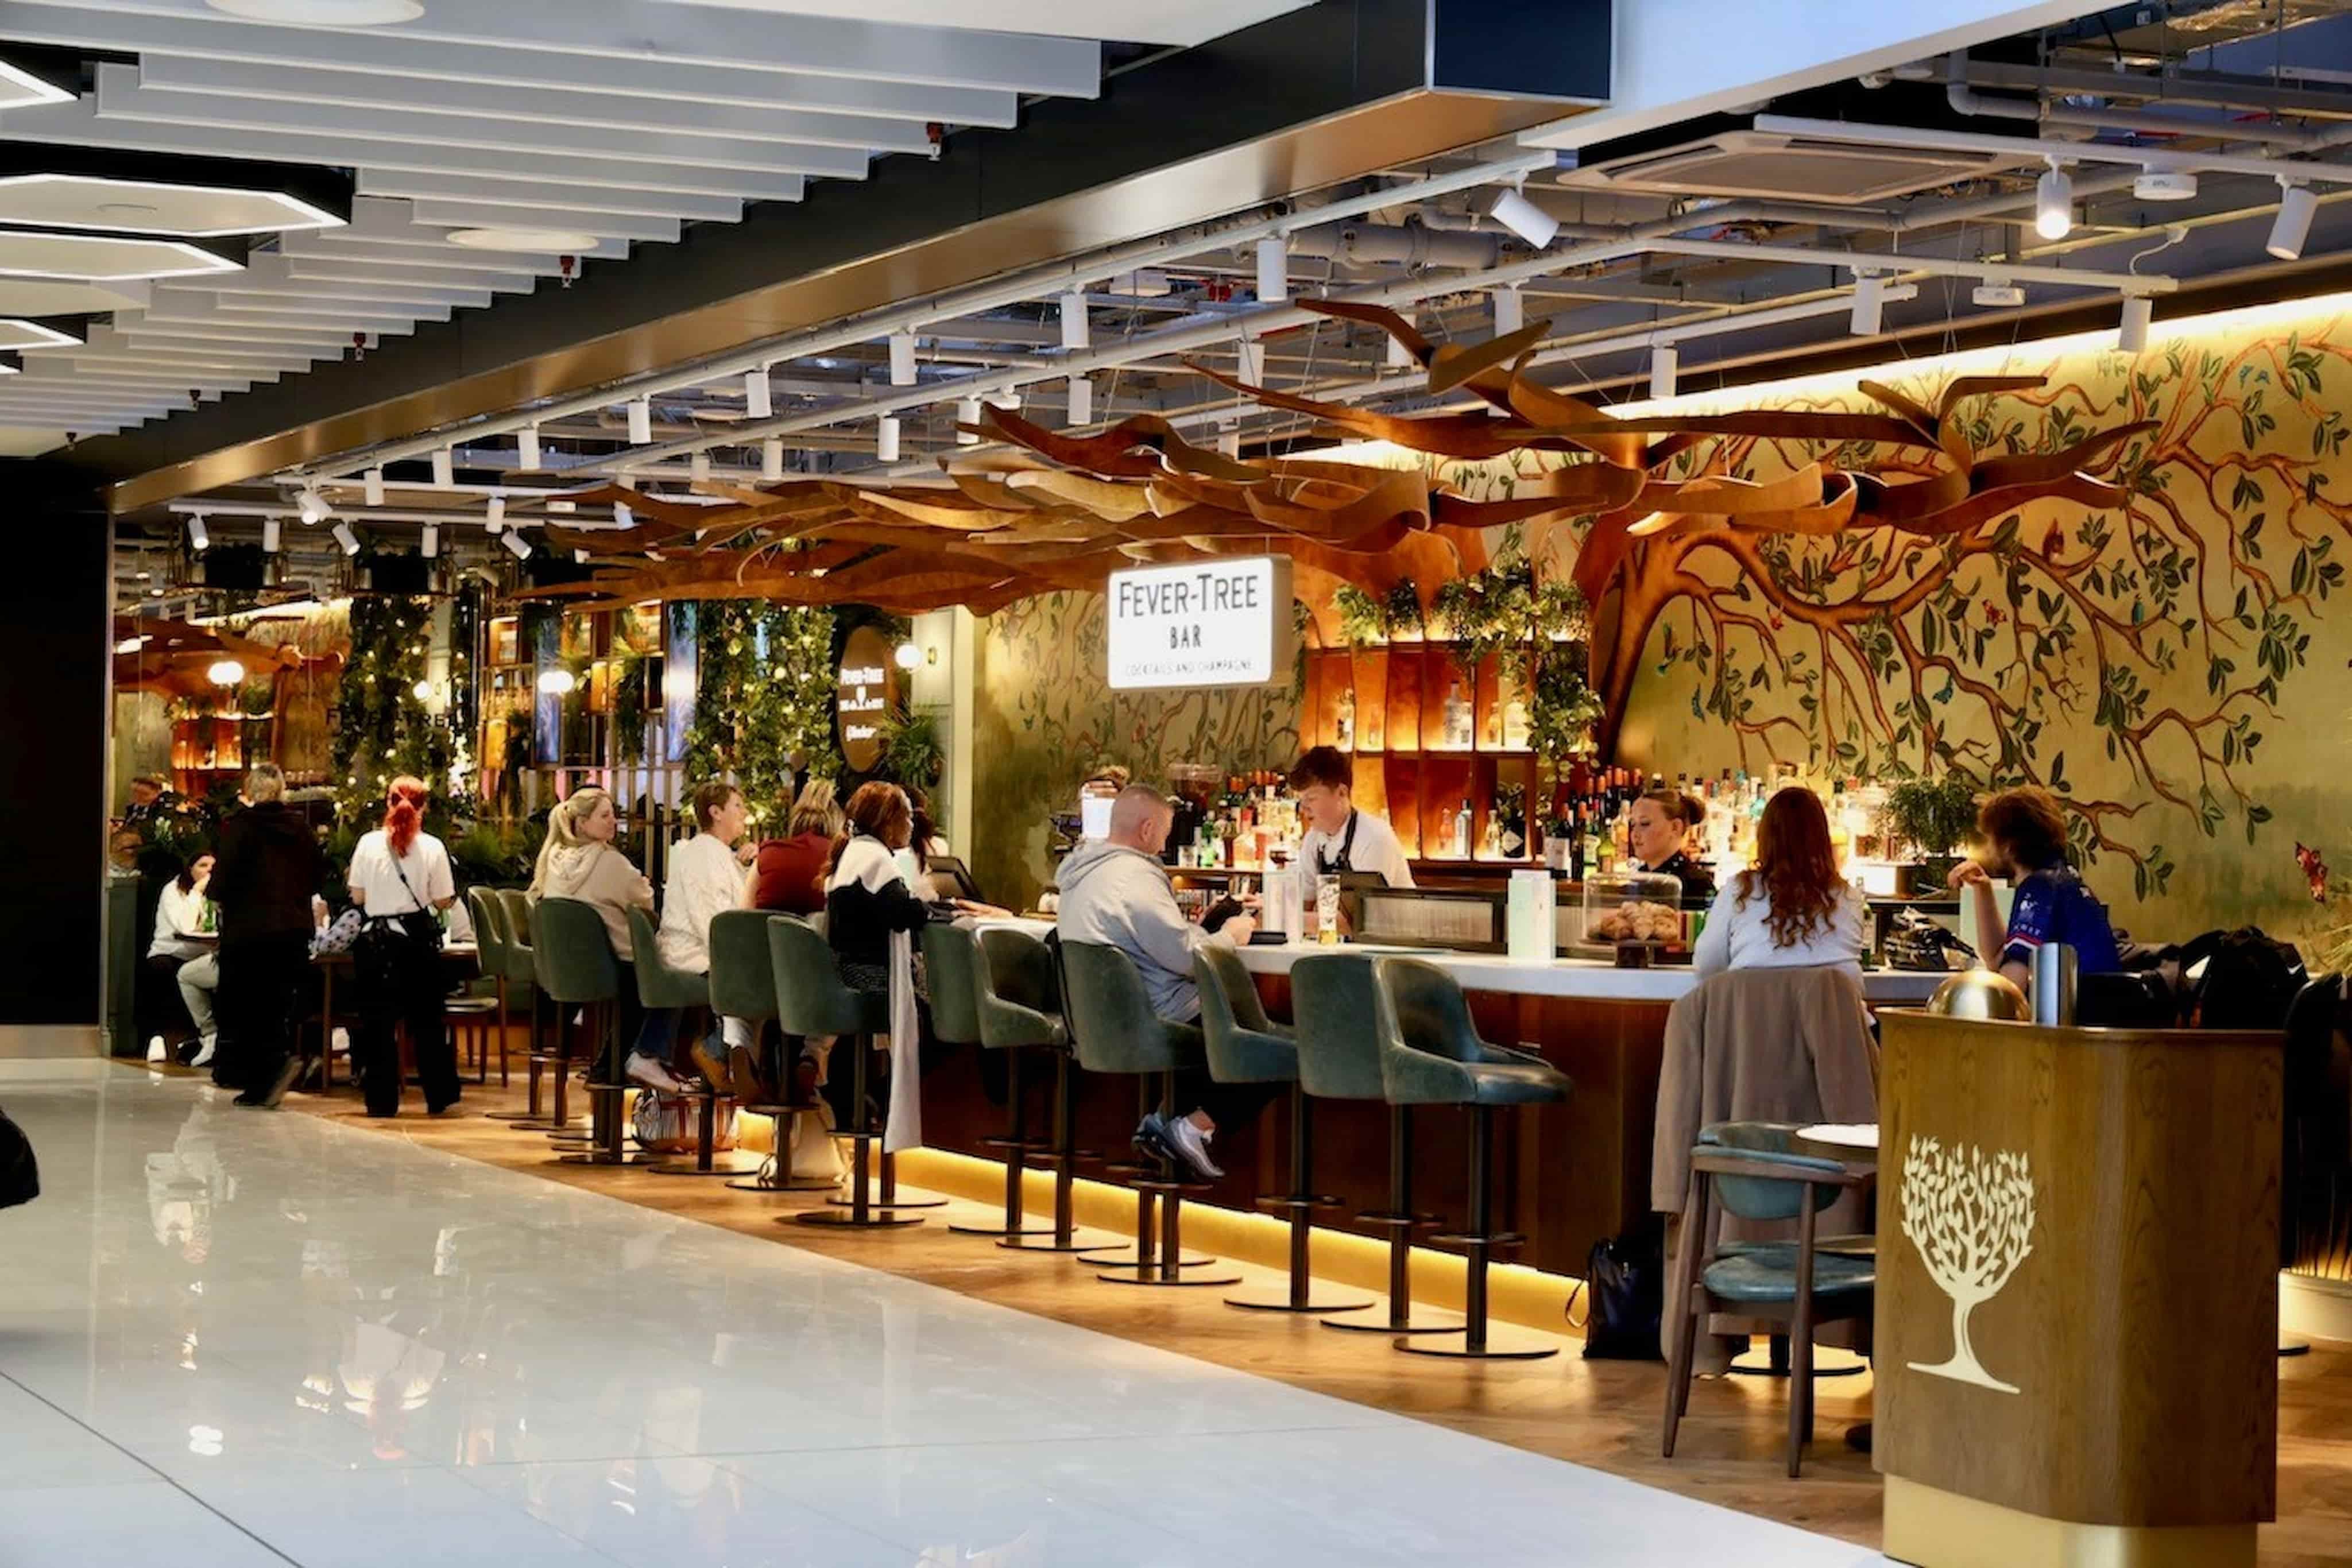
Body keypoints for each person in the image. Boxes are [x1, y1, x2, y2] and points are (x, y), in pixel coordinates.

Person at [1055, 784, 1263, 1182]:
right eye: (1166, 831)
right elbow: (1187, 959)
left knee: (1228, 1037)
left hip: (1104, 1026)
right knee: (1263, 1042)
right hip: (1154, 1020)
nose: (1166, 842)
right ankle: (1189, 1128)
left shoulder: (1080, 876)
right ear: (1148, 829)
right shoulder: (1134, 877)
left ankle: (1161, 1125)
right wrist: (1230, 935)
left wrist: (1199, 932)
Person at [207, 763, 326, 1108]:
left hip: (249, 932)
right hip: (292, 930)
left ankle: (263, 1077)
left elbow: (222, 883)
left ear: (252, 790)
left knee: (248, 1007)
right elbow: (317, 876)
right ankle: (277, 1062)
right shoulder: (300, 829)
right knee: (277, 1004)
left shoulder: (241, 828)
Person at [347, 776, 459, 1118]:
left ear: (387, 802)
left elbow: (358, 896)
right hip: (415, 942)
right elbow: (442, 901)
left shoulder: (367, 844)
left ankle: (381, 1101)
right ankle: (438, 1095)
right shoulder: (433, 848)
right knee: (426, 1021)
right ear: (423, 808)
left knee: (377, 1024)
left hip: (376, 941)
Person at [531, 787, 659, 1085]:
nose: (614, 821)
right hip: (614, 968)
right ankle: (619, 1064)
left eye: (613, 814)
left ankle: (608, 1063)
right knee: (658, 983)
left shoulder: (551, 861)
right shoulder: (611, 862)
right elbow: (646, 901)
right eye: (605, 815)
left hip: (564, 972)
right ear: (583, 823)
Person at [642, 780, 753, 1094]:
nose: (744, 813)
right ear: (715, 812)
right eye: (737, 807)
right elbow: (710, 918)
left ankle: (723, 1053)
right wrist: (733, 959)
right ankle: (718, 1051)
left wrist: (745, 866)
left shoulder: (715, 852)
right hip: (694, 954)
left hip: (701, 949)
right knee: (761, 983)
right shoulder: (704, 852)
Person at [1949, 785, 2121, 988]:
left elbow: (2012, 988)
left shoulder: (2040, 889)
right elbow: (1998, 958)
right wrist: (1982, 889)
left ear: (2008, 845)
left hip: (2075, 1014)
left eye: (1990, 839)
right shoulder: (2065, 879)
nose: (1988, 848)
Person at [1693, 787, 1864, 979]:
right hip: (1833, 1008)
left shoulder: (1739, 890)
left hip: (1755, 1008)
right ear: (1823, 838)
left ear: (1764, 837)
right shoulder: (1848, 896)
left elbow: (1707, 966)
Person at [1290, 745, 1414, 889]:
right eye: (1301, 799)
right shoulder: (1313, 840)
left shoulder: (1374, 838)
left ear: (1342, 793)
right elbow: (1305, 903)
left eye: (1311, 799)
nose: (1303, 808)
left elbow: (1364, 909)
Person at [148, 853, 219, 1066]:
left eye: (213, 867)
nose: (209, 871)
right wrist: (197, 892)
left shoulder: (219, 891)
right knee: (174, 971)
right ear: (190, 868)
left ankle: (212, 1038)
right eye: (203, 865)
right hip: (173, 950)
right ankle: (199, 1037)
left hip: (206, 953)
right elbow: (185, 926)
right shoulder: (173, 891)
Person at [745, 779, 840, 916]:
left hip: (765, 936)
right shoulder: (840, 857)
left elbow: (743, 916)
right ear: (839, 819)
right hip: (820, 936)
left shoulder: (767, 854)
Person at [1626, 788, 1717, 901]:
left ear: (1675, 827)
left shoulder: (1695, 884)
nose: (1635, 834)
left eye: (1645, 824)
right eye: (1633, 824)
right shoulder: (1639, 878)